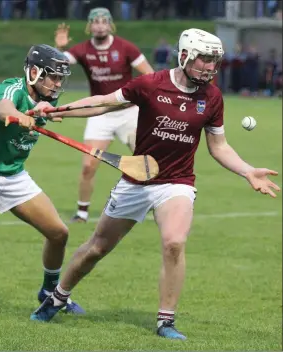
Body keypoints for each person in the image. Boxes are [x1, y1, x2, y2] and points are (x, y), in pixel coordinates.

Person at [28, 29, 280, 339]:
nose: (210, 67)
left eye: (215, 61)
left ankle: (166, 321)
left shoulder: (212, 97)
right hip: (137, 179)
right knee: (96, 248)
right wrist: (58, 110)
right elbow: (106, 102)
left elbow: (219, 146)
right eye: (204, 60)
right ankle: (58, 297)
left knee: (174, 242)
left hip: (177, 183)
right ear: (185, 55)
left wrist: (248, 171)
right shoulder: (150, 84)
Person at [0, 44, 84, 321]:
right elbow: (3, 108)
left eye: (61, 78)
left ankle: (49, 291)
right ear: (35, 73)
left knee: (59, 233)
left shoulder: (43, 102)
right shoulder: (12, 88)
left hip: (13, 175)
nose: (58, 84)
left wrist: (40, 112)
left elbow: (42, 108)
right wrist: (18, 115)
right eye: (54, 77)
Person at [54, 7, 154, 223]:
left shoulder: (125, 48)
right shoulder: (82, 50)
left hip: (129, 113)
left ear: (110, 25)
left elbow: (150, 76)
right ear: (90, 26)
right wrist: (59, 49)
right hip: (100, 114)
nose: (100, 25)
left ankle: (157, 203)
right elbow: (56, 65)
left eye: (104, 21)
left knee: (145, 162)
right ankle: (81, 213)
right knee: (88, 165)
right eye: (95, 21)